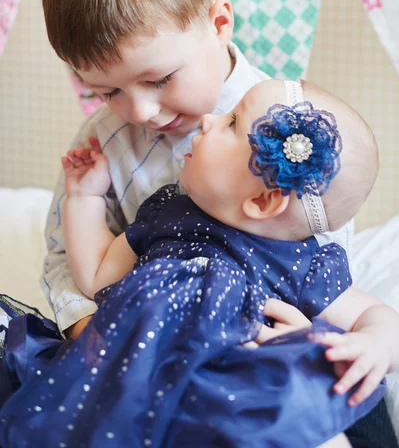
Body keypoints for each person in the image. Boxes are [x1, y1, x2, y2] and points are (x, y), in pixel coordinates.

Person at [14, 0, 395, 444]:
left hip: (264, 337)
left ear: (218, 24)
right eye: (108, 90)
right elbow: (74, 261)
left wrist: (317, 335)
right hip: (138, 342)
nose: (142, 111)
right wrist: (92, 333)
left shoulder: (292, 125)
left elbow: (321, 243)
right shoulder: (114, 155)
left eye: (160, 78)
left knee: (349, 402)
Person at [0, 79, 397, 447]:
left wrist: (374, 342)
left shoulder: (298, 265)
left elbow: (375, 314)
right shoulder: (167, 215)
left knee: (317, 425)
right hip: (130, 387)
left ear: (262, 201)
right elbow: (96, 274)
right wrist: (85, 199)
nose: (209, 120)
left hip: (236, 402)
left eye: (231, 123)